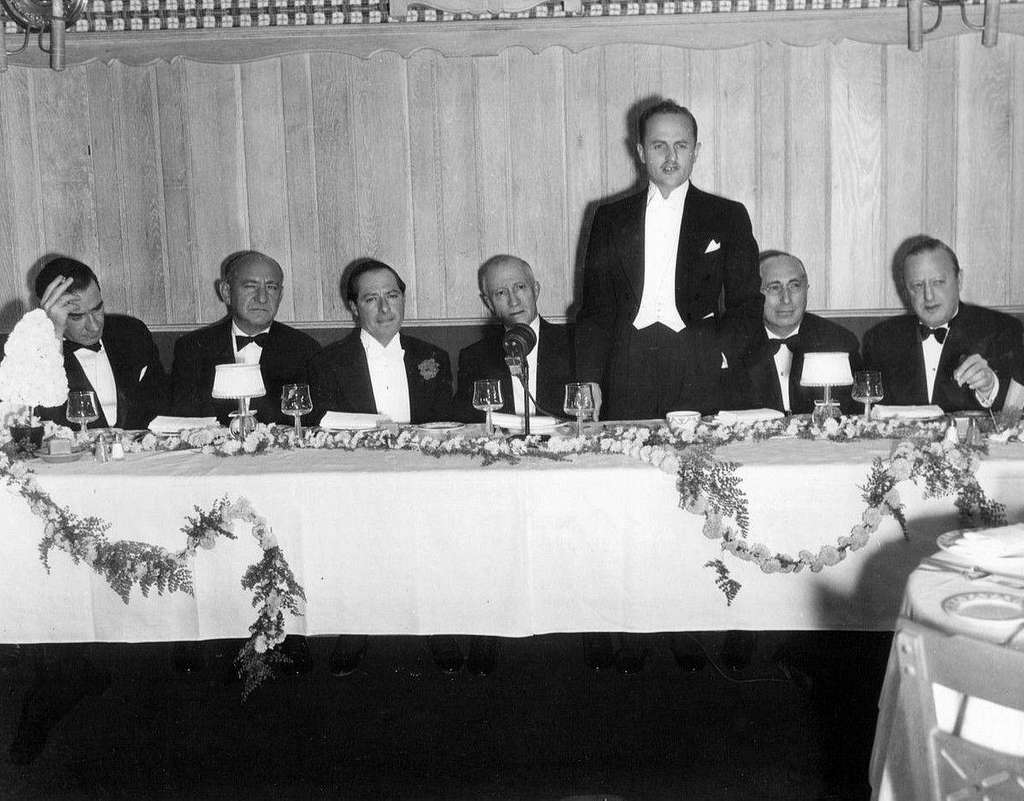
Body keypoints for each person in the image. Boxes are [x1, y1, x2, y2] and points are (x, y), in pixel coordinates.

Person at [575, 99, 762, 419]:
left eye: (681, 145)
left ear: (696, 151)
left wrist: (718, 354)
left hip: (698, 367)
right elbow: (595, 309)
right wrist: (588, 378)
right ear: (641, 151)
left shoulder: (727, 216)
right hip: (626, 367)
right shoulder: (609, 218)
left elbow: (746, 302)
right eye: (659, 145)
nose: (671, 157)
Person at [862, 236, 1023, 412]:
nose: (928, 296)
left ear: (959, 280)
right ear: (906, 291)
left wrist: (989, 387)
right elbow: (868, 414)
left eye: (938, 282)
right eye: (917, 285)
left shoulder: (1002, 330)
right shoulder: (880, 339)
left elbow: (1014, 411)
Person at [170, 250, 320, 425]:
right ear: (226, 292)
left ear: (281, 295)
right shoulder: (193, 349)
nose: (262, 298)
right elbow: (183, 421)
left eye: (271, 287)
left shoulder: (305, 350)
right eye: (250, 286)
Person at [308, 259, 453, 425]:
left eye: (392, 296)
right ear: (354, 308)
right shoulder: (326, 364)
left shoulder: (435, 357)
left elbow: (444, 429)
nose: (384, 308)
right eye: (371, 299)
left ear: (403, 299)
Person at [35, 257, 166, 430]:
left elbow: (163, 403)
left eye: (97, 309)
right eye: (76, 316)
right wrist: (54, 336)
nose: (94, 326)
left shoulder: (132, 333)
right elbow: (45, 426)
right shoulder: (34, 352)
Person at [731, 251, 860, 414]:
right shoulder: (733, 343)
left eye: (794, 286)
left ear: (806, 290)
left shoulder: (838, 341)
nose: (786, 299)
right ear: (754, 294)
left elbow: (855, 414)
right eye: (774, 287)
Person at [454, 255, 575, 422]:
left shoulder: (574, 343)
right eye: (501, 293)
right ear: (489, 303)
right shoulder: (474, 357)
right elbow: (468, 422)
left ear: (536, 290)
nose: (514, 301)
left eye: (520, 287)